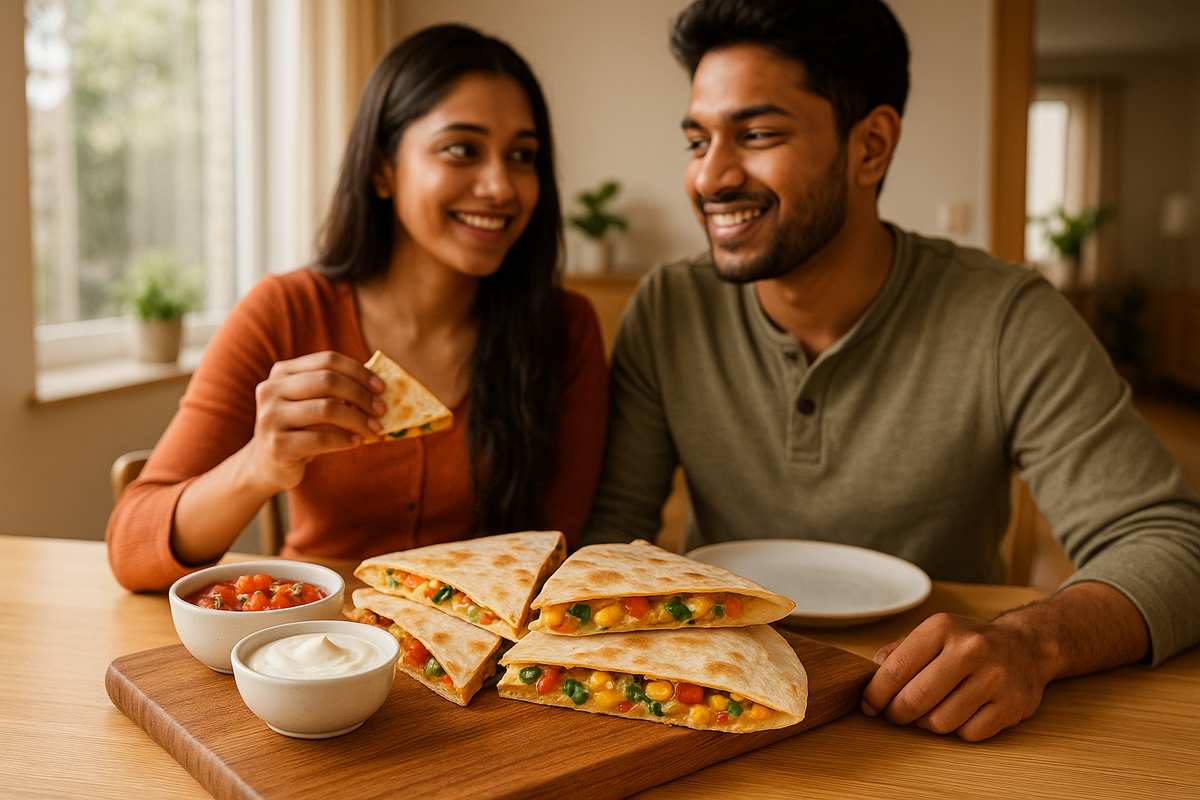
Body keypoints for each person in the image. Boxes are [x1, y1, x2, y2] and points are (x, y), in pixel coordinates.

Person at [582, 0, 1200, 741]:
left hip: (937, 716)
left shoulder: (1008, 316)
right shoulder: (670, 305)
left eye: (756, 134)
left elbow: (1172, 545)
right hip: (724, 710)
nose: (710, 177)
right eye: (696, 140)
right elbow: (614, 541)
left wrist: (1033, 641)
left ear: (870, 146)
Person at [108, 24, 608, 592]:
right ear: (380, 169)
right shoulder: (285, 312)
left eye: (522, 156)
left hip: (480, 660)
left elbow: (563, 546)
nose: (501, 186)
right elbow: (130, 547)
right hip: (308, 642)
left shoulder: (566, 327)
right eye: (462, 150)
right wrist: (258, 465)